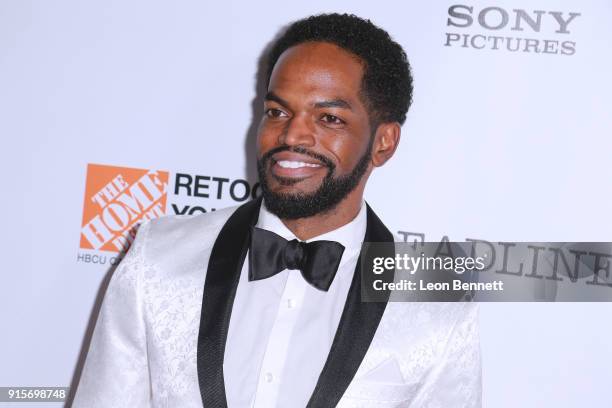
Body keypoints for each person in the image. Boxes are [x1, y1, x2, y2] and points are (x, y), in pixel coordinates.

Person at [73, 13, 481, 408]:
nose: (291, 135)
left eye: (329, 118)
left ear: (383, 143)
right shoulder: (159, 257)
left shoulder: (436, 302)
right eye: (278, 112)